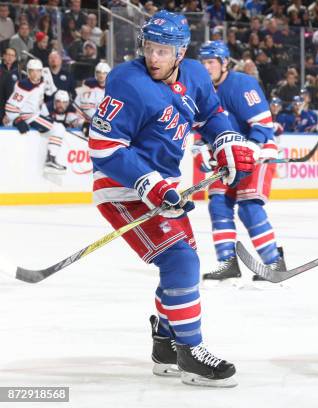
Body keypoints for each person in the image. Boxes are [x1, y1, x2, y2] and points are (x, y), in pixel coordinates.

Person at [88, 11, 258, 387]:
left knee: (185, 267)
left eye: (163, 51)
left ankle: (165, 344)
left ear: (180, 53)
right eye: (149, 48)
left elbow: (212, 115)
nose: (154, 58)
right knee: (180, 261)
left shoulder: (196, 74)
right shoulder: (127, 82)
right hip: (123, 189)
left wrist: (226, 143)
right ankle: (190, 352)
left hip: (164, 189)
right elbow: (104, 146)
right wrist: (149, 184)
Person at [197, 40, 286, 282]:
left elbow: (263, 122)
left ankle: (274, 263)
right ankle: (227, 262)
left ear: (224, 63)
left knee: (249, 207)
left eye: (211, 62)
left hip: (255, 152)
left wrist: (253, 146)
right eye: (203, 62)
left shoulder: (242, 84)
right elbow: (202, 128)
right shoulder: (201, 90)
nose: (206, 67)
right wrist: (203, 148)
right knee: (218, 204)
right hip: (227, 156)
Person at [4, 58, 66, 174]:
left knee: (57, 127)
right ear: (28, 72)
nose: (35, 73)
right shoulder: (24, 86)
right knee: (59, 129)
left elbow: (41, 100)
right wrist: (17, 120)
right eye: (32, 71)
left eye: (38, 71)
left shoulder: (41, 82)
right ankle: (50, 160)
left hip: (35, 115)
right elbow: (10, 106)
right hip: (28, 117)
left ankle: (50, 160)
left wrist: (47, 116)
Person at [74, 61, 110, 137]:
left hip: (101, 125)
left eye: (104, 73)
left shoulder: (111, 89)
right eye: (99, 72)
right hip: (84, 123)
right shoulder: (88, 88)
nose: (101, 75)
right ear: (95, 73)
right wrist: (103, 125)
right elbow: (88, 112)